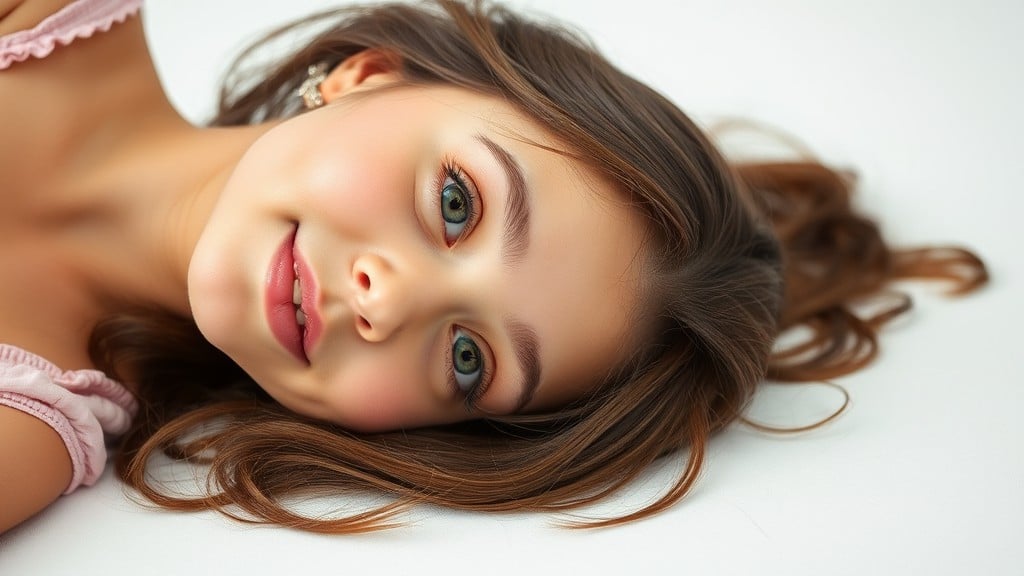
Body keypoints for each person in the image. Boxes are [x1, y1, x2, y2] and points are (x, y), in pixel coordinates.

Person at [0, 0, 987, 534]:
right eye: (458, 203)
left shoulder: (29, 432)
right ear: (368, 75)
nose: (391, 300)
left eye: (467, 360)